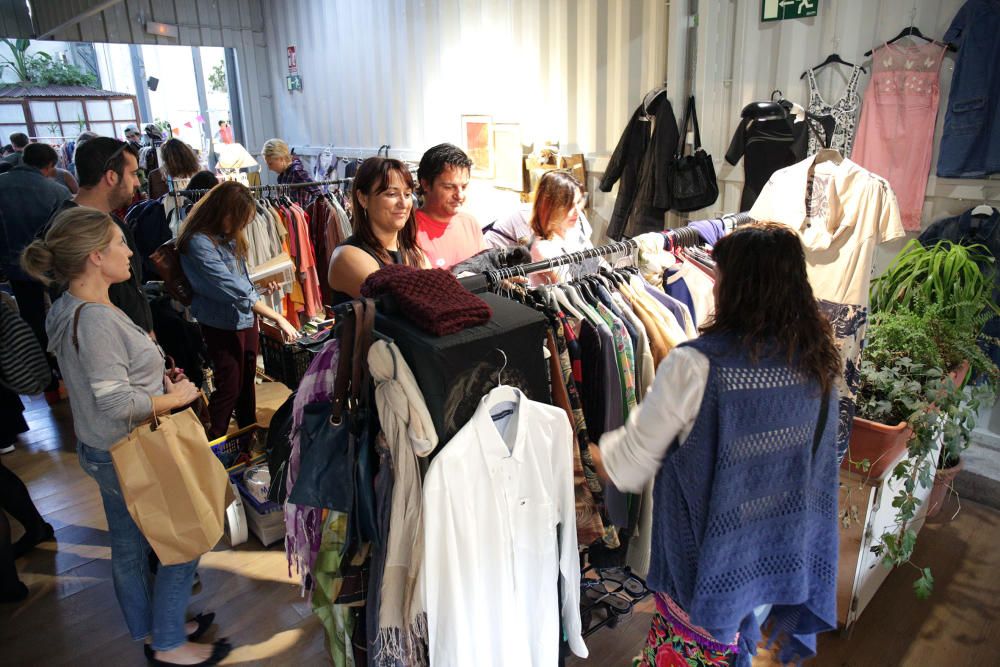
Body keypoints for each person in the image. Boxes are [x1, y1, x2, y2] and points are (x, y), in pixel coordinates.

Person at [589, 223, 842, 666]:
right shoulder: (817, 363)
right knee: (734, 650)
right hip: (776, 553)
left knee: (698, 654)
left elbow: (626, 467)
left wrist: (574, 450)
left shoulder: (693, 366)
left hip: (709, 568)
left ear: (735, 285)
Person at [20, 207, 230, 663]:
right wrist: (175, 398)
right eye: (118, 242)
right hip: (129, 447)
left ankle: (151, 628)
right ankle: (170, 642)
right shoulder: (95, 319)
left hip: (105, 447)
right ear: (95, 257)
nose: (129, 251)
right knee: (182, 538)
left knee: (130, 544)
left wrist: (156, 379)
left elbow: (102, 383)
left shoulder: (70, 307)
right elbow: (115, 403)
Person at [178, 182, 299, 439]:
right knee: (229, 386)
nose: (242, 226)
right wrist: (277, 316)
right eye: (240, 218)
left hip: (244, 318)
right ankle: (215, 442)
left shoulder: (226, 238)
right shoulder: (198, 242)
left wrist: (262, 286)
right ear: (223, 211)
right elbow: (230, 287)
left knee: (246, 385)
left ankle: (247, 436)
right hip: (220, 324)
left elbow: (240, 283)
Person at [56, 137, 153, 334]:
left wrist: (146, 331)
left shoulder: (109, 220)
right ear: (111, 176)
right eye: (133, 174)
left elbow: (130, 289)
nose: (137, 183)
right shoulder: (69, 230)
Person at [0, 143, 72, 395]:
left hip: (14, 265)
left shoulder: (2, 184)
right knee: (63, 316)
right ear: (50, 166)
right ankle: (67, 373)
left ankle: (48, 381)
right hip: (53, 265)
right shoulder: (56, 191)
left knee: (31, 320)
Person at [327, 157, 427, 305]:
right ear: (363, 199)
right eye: (391, 194)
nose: (403, 203)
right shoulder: (347, 256)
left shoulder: (413, 251)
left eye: (407, 194)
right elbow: (407, 306)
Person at [519, 170, 599, 286]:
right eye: (569, 205)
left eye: (578, 202)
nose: (577, 210)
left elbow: (597, 259)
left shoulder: (576, 227)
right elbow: (571, 290)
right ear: (551, 207)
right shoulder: (543, 248)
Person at [414, 143, 487, 270]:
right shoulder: (410, 229)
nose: (460, 195)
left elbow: (487, 268)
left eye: (464, 187)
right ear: (425, 184)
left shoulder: (470, 223)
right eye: (449, 187)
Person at [261, 138, 321, 204]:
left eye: (270, 164)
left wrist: (308, 210)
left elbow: (318, 194)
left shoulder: (296, 172)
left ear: (280, 158)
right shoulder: (282, 175)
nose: (270, 168)